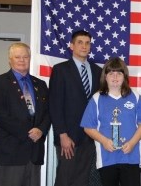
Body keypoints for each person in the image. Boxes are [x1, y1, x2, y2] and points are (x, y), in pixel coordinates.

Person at [0, 42, 50, 186]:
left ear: (29, 58)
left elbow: (48, 112)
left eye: (25, 57)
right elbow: (0, 114)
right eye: (17, 57)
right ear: (10, 60)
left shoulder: (40, 84)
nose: (22, 60)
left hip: (35, 152)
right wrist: (28, 133)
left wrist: (41, 130)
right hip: (11, 151)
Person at [81, 57, 141, 186]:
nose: (115, 77)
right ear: (105, 76)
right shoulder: (96, 98)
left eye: (119, 73)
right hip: (107, 156)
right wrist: (104, 141)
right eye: (111, 73)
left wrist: (133, 143)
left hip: (130, 155)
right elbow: (88, 127)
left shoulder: (135, 96)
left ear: (125, 76)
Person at [49, 30, 102, 186]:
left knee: (82, 180)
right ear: (72, 46)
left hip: (90, 137)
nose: (84, 46)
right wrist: (62, 134)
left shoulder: (97, 71)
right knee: (65, 179)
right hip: (68, 137)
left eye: (87, 43)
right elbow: (55, 105)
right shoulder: (60, 70)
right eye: (80, 42)